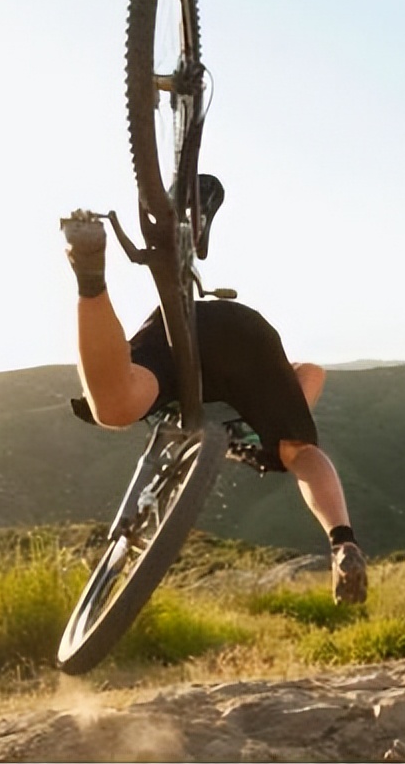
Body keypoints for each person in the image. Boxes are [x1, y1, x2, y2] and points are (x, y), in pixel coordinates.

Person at [60, 175, 367, 604]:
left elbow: (311, 372)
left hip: (188, 330)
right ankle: (342, 542)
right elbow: (312, 372)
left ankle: (99, 268)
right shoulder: (260, 448)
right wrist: (278, 427)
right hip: (244, 337)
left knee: (112, 404)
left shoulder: (181, 404)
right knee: (300, 451)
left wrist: (283, 419)